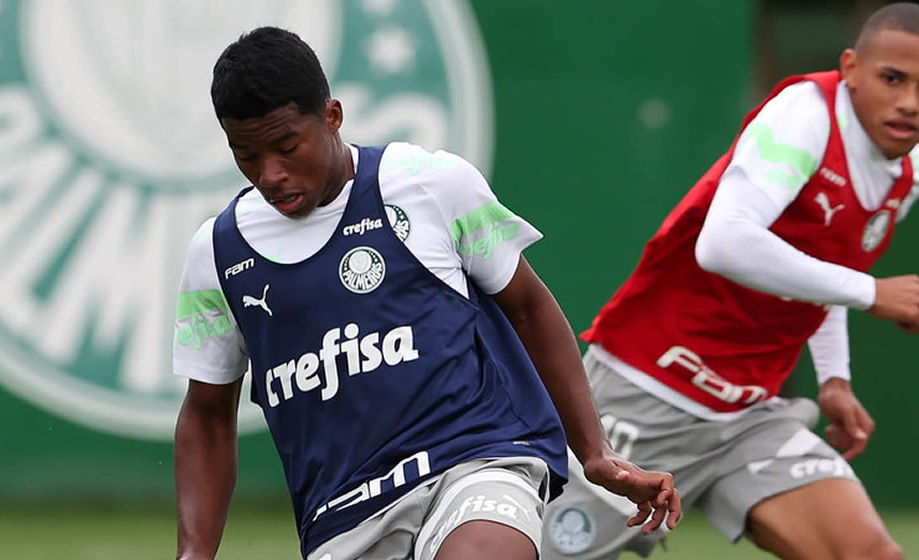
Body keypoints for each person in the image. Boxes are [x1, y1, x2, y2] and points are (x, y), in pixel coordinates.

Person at [171, 26, 682, 560]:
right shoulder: (219, 252)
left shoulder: (427, 184)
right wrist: (193, 553)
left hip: (475, 460)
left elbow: (528, 307)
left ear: (332, 116)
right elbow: (207, 413)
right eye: (246, 156)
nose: (270, 174)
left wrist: (594, 452)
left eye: (285, 146)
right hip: (343, 514)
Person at [541, 3, 919, 559]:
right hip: (648, 396)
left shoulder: (912, 172)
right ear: (851, 68)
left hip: (748, 418)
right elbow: (724, 242)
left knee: (869, 554)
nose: (909, 102)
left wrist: (834, 377)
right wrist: (872, 292)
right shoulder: (803, 117)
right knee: (528, 552)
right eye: (892, 79)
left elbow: (823, 265)